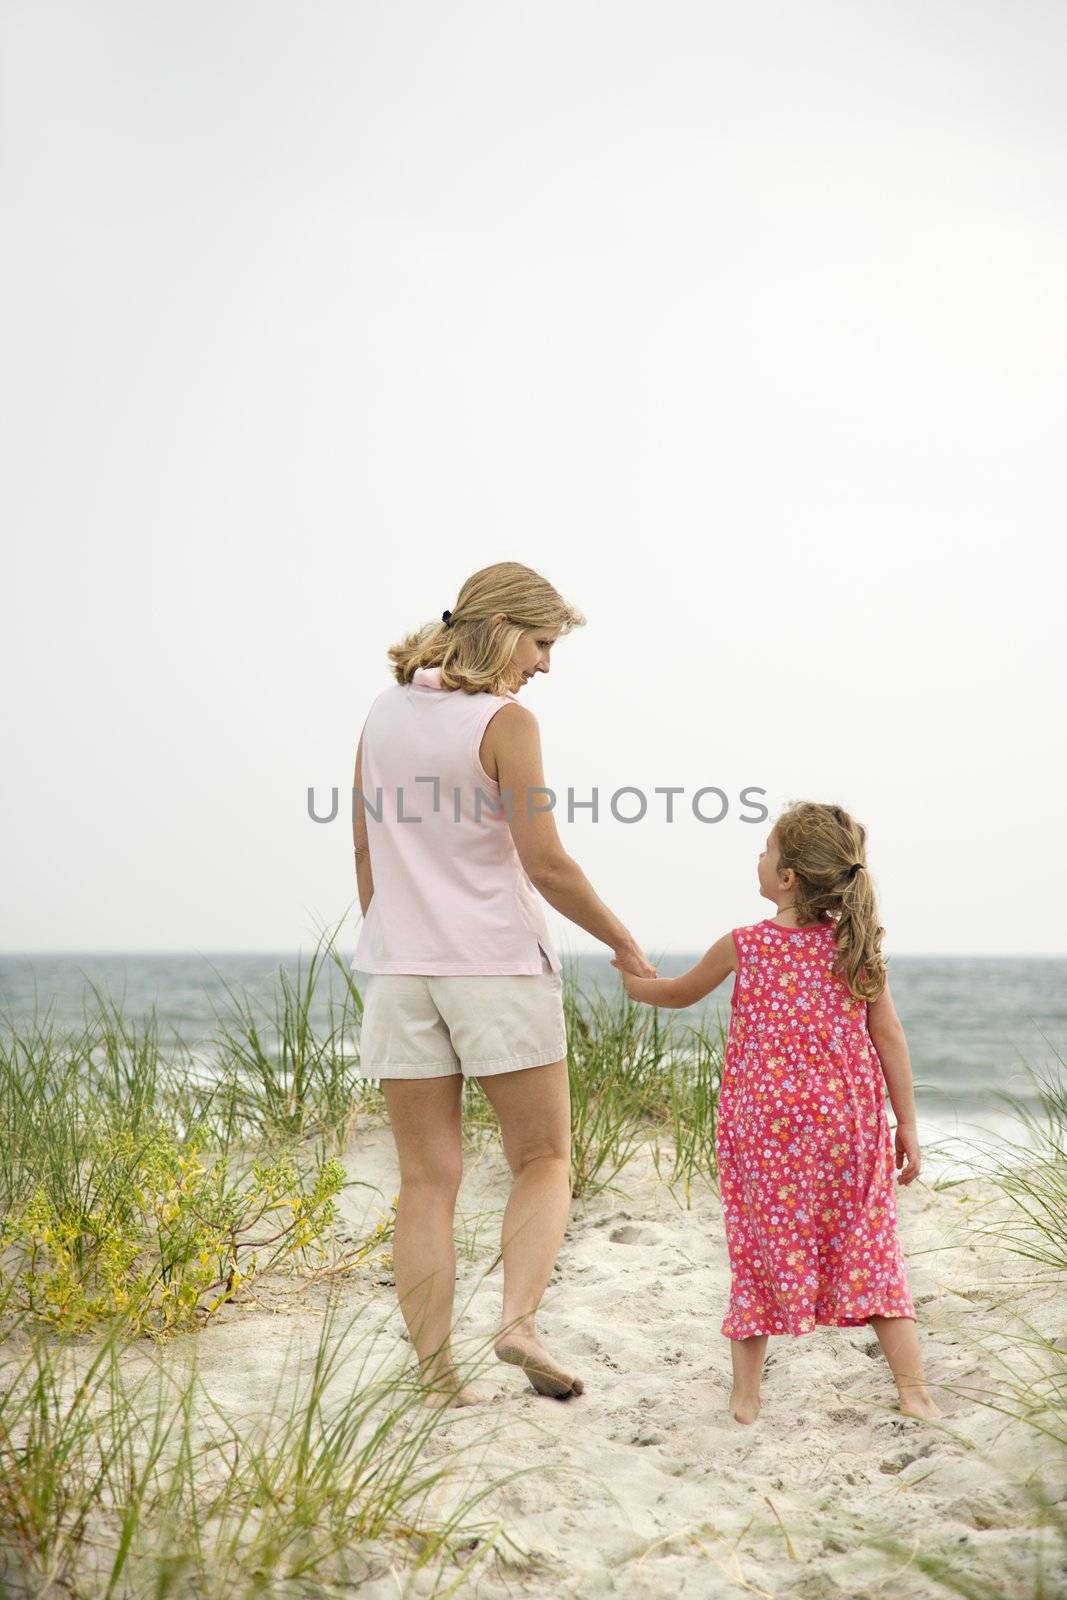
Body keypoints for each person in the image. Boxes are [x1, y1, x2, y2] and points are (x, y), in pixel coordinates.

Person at [351, 561, 656, 1408]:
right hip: (492, 965)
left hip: (399, 971)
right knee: (544, 1156)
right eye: (542, 642)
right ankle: (517, 1323)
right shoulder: (505, 722)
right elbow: (546, 863)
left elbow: (366, 851)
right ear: (499, 629)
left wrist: (396, 934)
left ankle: (437, 1377)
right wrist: (624, 943)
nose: (546, 664)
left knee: (425, 1179)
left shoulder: (380, 713)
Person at [616, 801, 942, 1425]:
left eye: (765, 851)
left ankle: (746, 1397)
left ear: (788, 877)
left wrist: (634, 982)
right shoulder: (855, 947)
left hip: (763, 1124)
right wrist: (908, 1125)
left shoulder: (746, 944)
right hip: (847, 1121)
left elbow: (677, 994)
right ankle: (913, 1389)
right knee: (870, 1246)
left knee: (759, 1247)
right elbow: (890, 1036)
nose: (758, 859)